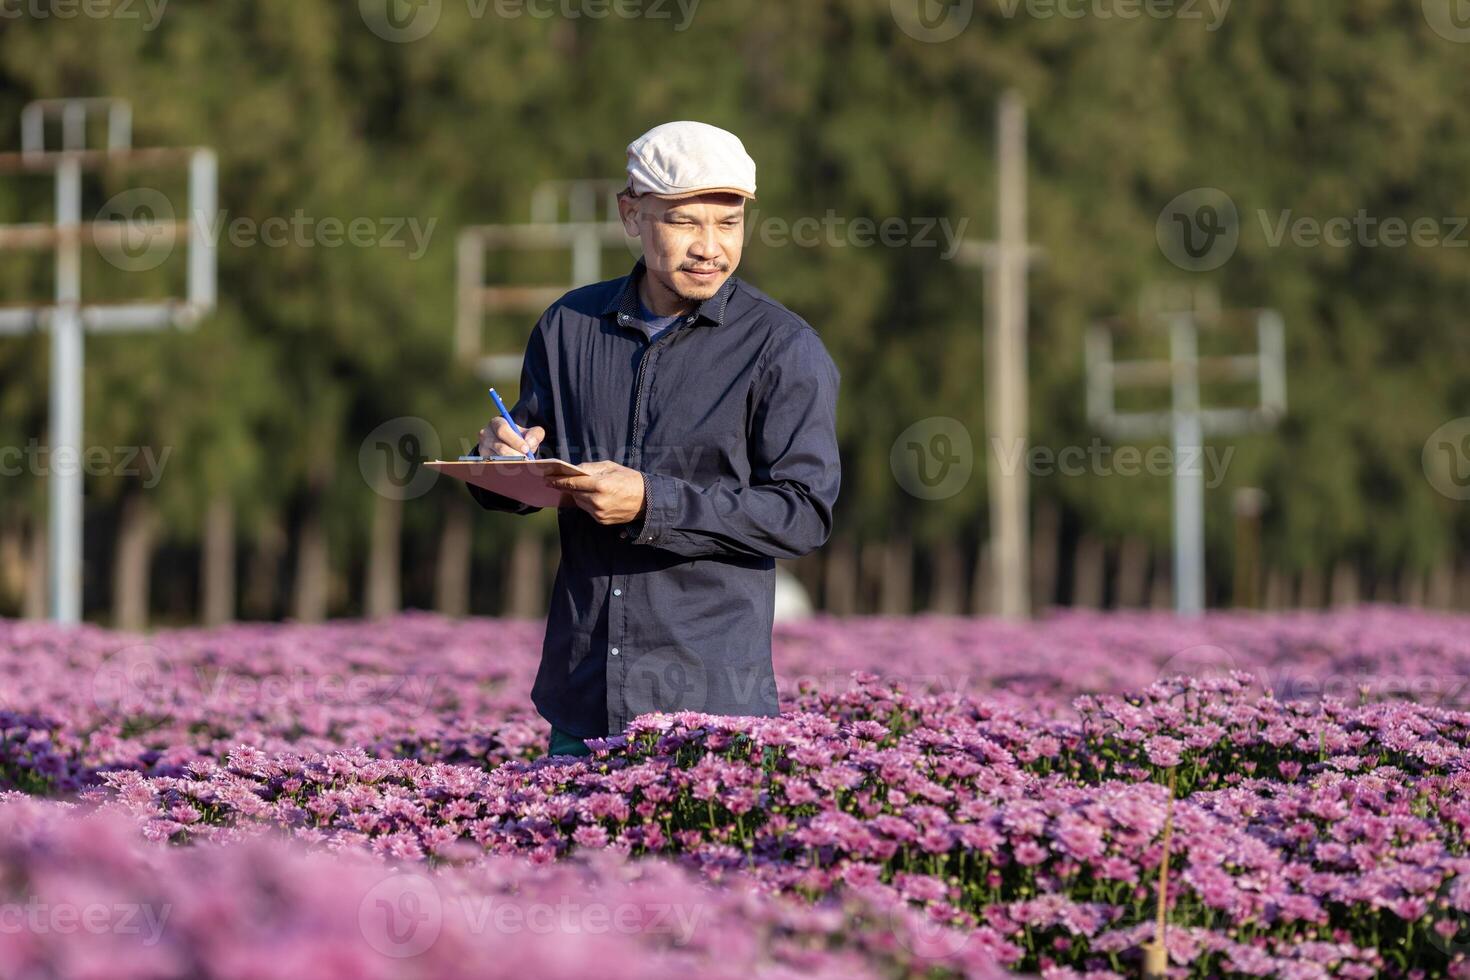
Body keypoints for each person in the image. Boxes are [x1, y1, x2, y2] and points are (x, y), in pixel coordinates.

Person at [470, 120, 842, 759]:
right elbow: (533, 466)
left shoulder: (781, 348)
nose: (710, 247)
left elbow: (803, 514)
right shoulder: (567, 327)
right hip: (581, 698)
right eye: (684, 222)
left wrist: (651, 502)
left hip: (713, 714)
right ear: (630, 215)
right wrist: (498, 466)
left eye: (728, 225)